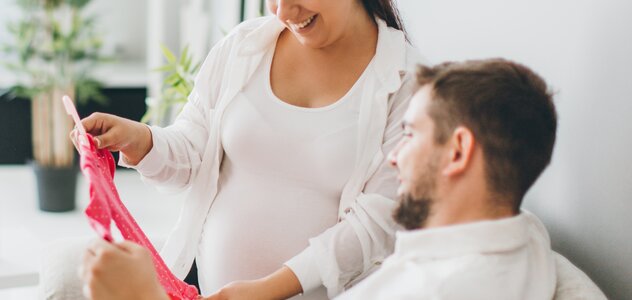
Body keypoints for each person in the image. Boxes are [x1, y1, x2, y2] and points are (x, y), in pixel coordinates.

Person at [80, 58, 560, 299]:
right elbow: (195, 143)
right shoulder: (520, 236)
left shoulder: (443, 286)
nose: (391, 160)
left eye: (410, 134)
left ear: (458, 152)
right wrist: (144, 140)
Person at [71, 0, 422, 299]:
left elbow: (376, 226)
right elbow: (194, 148)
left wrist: (267, 289)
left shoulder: (408, 83)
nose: (283, 11)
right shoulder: (244, 46)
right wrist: (143, 140)